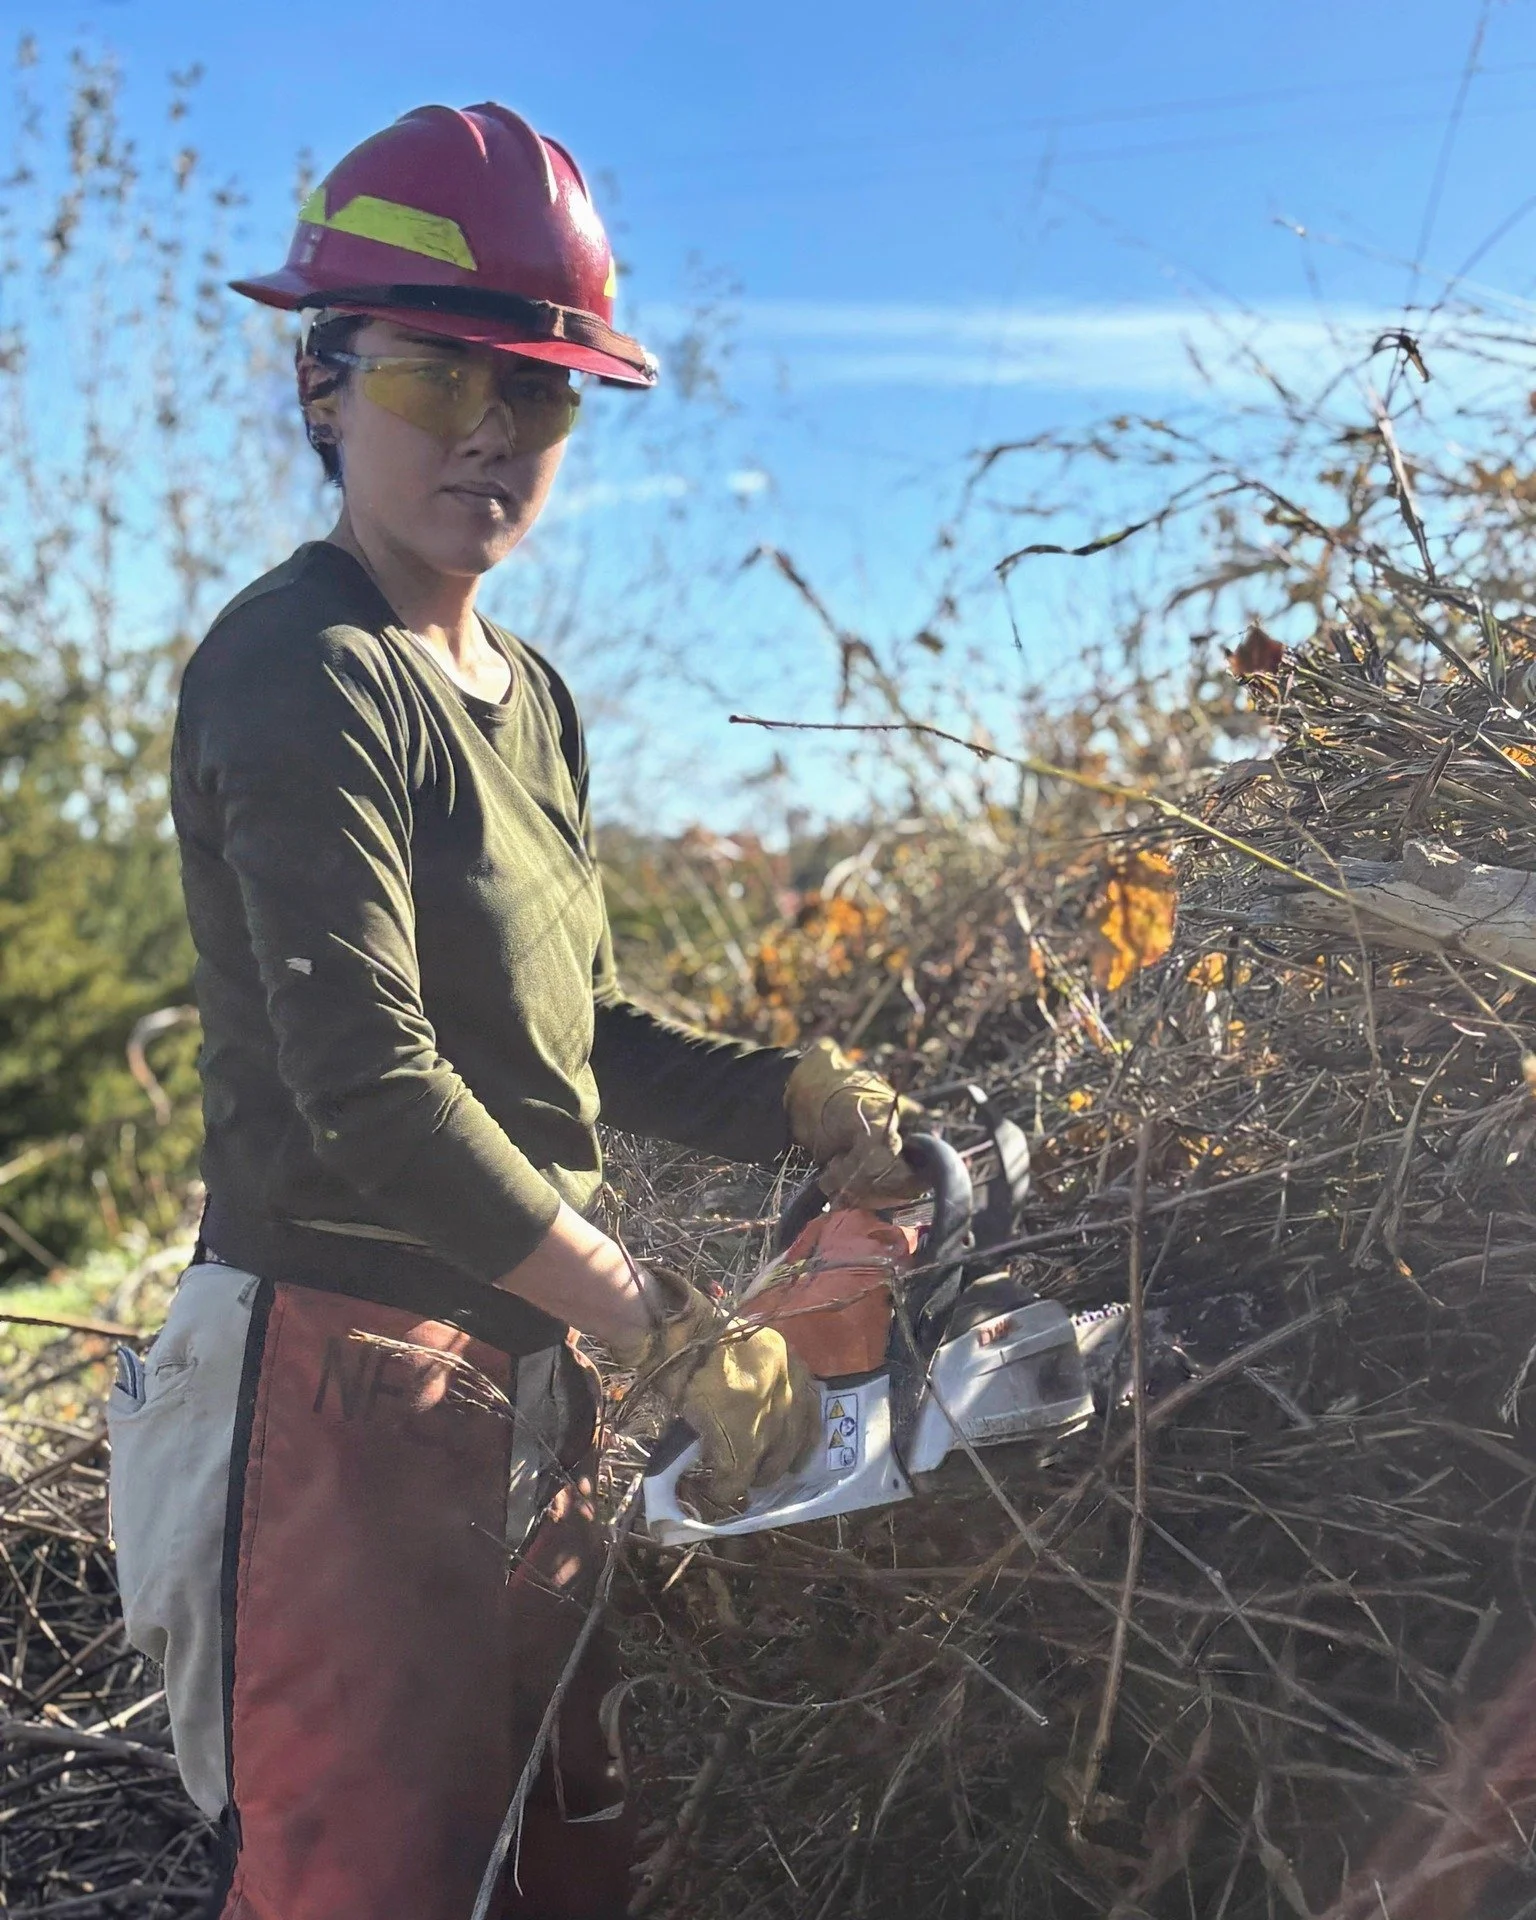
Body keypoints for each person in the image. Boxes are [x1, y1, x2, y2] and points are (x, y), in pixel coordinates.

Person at [105, 103, 918, 1920]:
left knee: (566, 1862)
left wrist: (791, 1098)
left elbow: (579, 1032)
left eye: (537, 393)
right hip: (336, 1384)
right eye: (437, 374)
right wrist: (653, 1321)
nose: (489, 428)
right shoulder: (302, 667)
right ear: (324, 386)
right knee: (362, 1883)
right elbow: (370, 1088)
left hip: (523, 1372)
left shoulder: (526, 694)